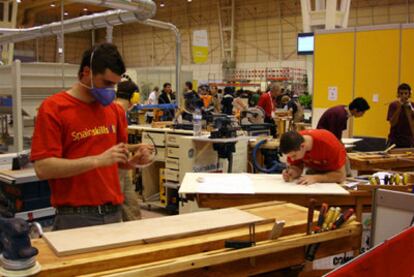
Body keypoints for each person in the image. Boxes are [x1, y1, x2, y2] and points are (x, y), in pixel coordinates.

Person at [30, 43, 153, 230]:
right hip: (75, 218)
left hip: (113, 214)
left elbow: (118, 159)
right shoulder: (54, 109)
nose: (111, 91)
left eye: (115, 85)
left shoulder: (113, 111)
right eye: (106, 83)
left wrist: (134, 161)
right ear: (86, 72)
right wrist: (97, 160)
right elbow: (43, 168)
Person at [115, 75, 147, 221]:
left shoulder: (118, 111)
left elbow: (119, 144)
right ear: (134, 97)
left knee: (132, 209)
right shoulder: (117, 112)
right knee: (119, 211)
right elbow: (117, 147)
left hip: (122, 168)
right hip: (117, 170)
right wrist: (135, 157)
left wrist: (137, 146)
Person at [279, 130, 346, 185]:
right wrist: (293, 172)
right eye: (290, 157)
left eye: (294, 156)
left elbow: (341, 176)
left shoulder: (329, 145)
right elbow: (297, 166)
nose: (292, 159)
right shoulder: (294, 143)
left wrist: (316, 178)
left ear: (302, 146)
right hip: (316, 169)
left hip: (334, 171)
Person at [387, 83, 414, 148]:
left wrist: (409, 109)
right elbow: (393, 123)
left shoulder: (412, 105)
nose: (403, 96)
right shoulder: (393, 105)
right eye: (401, 93)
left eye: (406, 93)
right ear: (398, 94)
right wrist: (400, 107)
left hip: (409, 140)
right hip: (395, 140)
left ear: (409, 95)